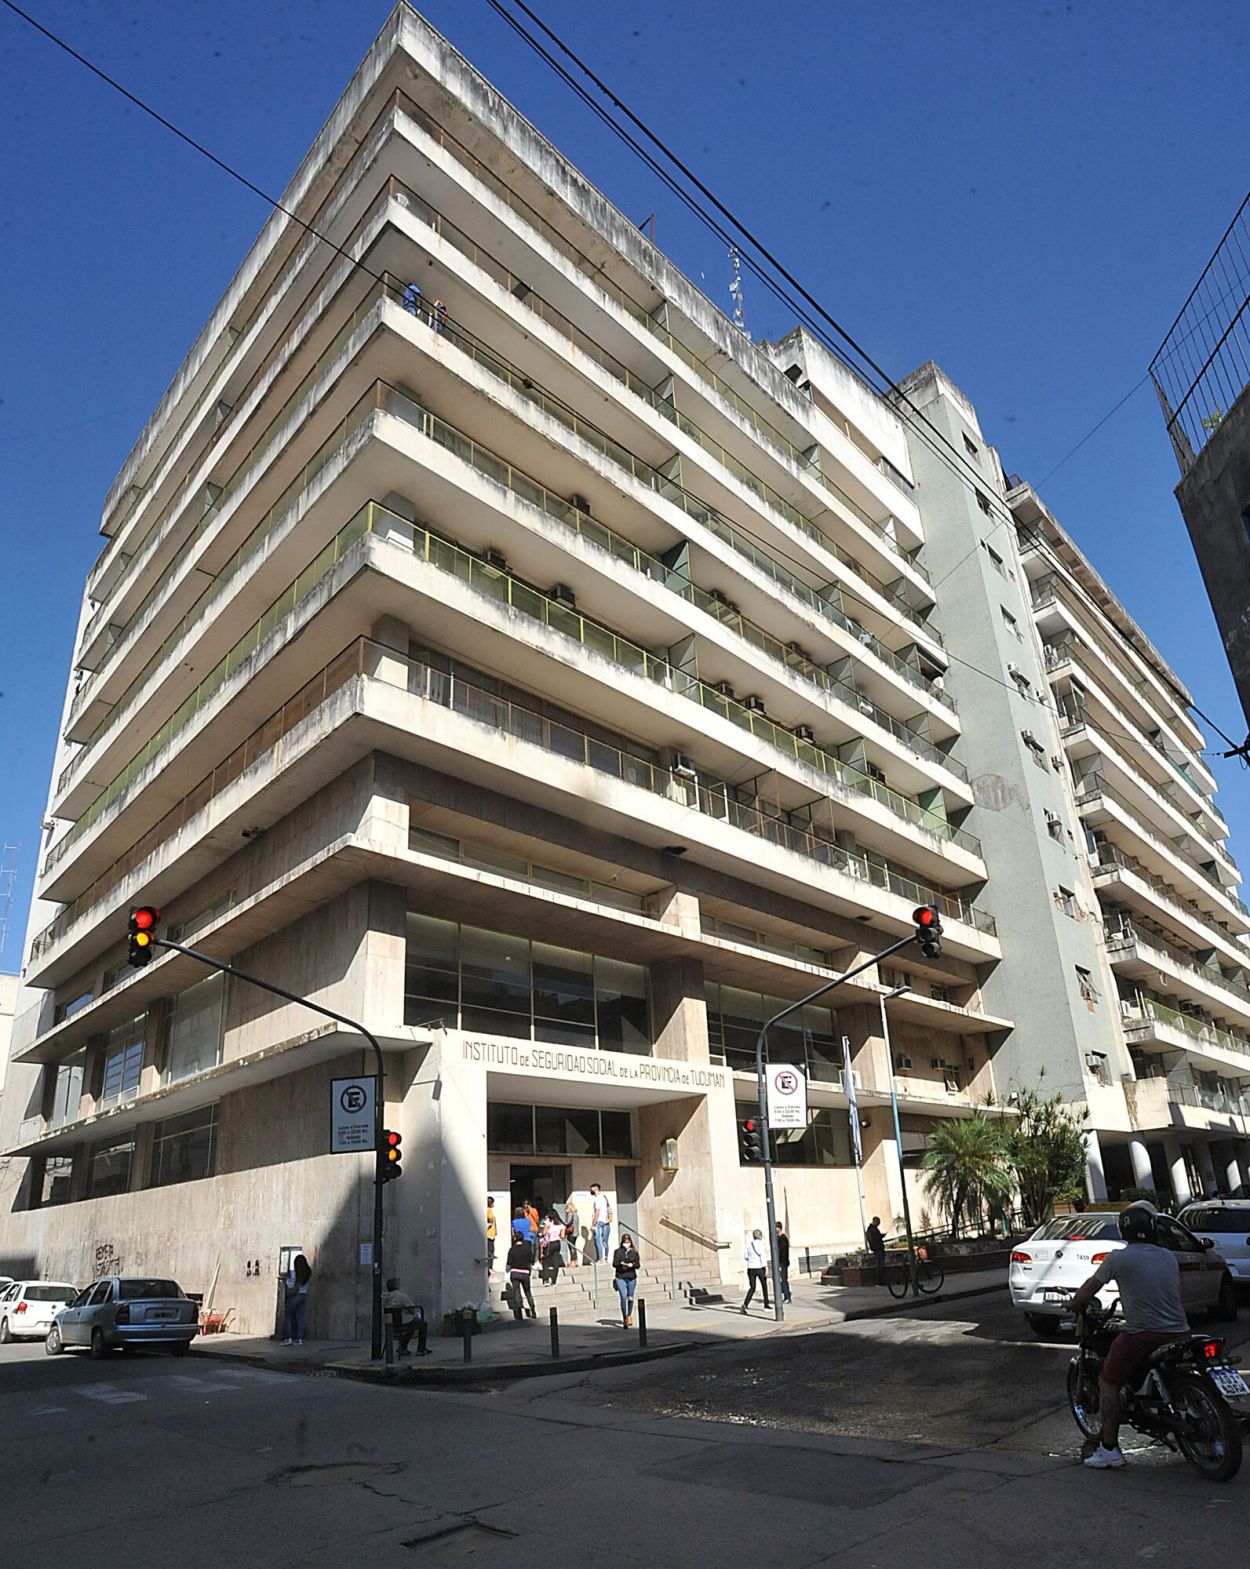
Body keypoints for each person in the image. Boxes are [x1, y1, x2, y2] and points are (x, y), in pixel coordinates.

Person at [1069, 1202, 1190, 1470]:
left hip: (1143, 1334)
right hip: (1180, 1331)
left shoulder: (1118, 1258)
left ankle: (1109, 1449)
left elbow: (1091, 1286)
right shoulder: (1167, 1256)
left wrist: (1073, 1302)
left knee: (1108, 1381)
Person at [381, 1277, 430, 1356]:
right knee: (423, 1323)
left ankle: (402, 1347)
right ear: (396, 1286)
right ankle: (421, 1349)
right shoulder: (401, 1296)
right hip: (404, 1322)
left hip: (391, 1325)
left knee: (412, 1324)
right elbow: (412, 1309)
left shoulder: (385, 1298)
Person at [505, 1230, 537, 1322]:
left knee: (517, 1293)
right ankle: (533, 1311)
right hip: (525, 1273)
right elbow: (532, 1261)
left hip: (515, 1273)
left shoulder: (512, 1249)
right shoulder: (527, 1249)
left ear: (515, 1239)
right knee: (528, 1292)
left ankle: (519, 1314)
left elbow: (509, 1262)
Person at [281, 1253, 311, 1344]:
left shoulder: (294, 1273)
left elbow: (290, 1285)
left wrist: (286, 1281)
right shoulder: (308, 1272)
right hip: (303, 1295)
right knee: (300, 1318)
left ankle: (289, 1337)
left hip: (295, 1296)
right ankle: (299, 1339)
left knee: (288, 1316)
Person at [612, 1232, 641, 1327]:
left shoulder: (634, 1253)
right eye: (625, 1242)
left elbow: (638, 1265)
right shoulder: (618, 1252)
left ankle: (629, 1315)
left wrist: (632, 1265)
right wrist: (621, 1263)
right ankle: (625, 1317)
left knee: (630, 1297)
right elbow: (614, 1264)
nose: (626, 1244)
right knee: (623, 1297)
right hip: (620, 1276)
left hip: (631, 1277)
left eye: (628, 1242)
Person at [741, 1229, 770, 1313]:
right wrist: (766, 1267)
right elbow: (762, 1256)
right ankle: (766, 1305)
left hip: (750, 1268)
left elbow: (746, 1256)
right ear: (760, 1236)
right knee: (764, 1286)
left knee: (752, 1287)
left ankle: (745, 1304)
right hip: (759, 1268)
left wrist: (751, 1259)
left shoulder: (749, 1244)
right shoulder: (760, 1244)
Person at [540, 1212, 565, 1286]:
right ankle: (554, 1281)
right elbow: (562, 1236)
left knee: (545, 1261)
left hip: (549, 1243)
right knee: (556, 1262)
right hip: (557, 1243)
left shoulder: (548, 1221)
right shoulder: (561, 1223)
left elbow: (544, 1233)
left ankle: (546, 1280)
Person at [590, 1183, 613, 1262]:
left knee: (598, 1241)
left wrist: (594, 1223)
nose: (591, 1190)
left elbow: (597, 1211)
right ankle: (605, 1258)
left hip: (599, 1221)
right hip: (604, 1221)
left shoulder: (598, 1198)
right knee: (604, 1241)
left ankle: (600, 1259)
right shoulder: (604, 1197)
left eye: (592, 1189)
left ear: (595, 1188)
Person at [865, 1216, 887, 1286]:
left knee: (880, 1265)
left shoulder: (872, 1229)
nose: (879, 1224)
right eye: (878, 1222)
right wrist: (881, 1236)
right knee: (880, 1265)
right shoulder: (872, 1229)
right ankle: (879, 1281)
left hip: (877, 1248)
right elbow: (875, 1238)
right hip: (878, 1248)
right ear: (875, 1221)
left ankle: (880, 1280)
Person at [775, 1221, 792, 1304]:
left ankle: (787, 1296)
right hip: (781, 1262)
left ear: (779, 1228)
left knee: (784, 1279)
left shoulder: (783, 1238)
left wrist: (781, 1263)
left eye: (775, 1228)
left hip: (783, 1263)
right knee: (782, 1279)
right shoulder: (778, 1238)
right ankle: (786, 1294)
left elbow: (783, 1252)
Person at [563, 1194, 580, 1267]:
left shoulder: (570, 1214)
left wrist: (562, 1221)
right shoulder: (576, 1214)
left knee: (571, 1247)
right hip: (576, 1232)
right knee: (574, 1246)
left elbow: (567, 1222)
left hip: (571, 1233)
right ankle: (576, 1261)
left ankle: (572, 1261)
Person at [486, 1196, 498, 1275]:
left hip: (490, 1234)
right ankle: (490, 1267)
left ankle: (490, 1267)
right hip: (490, 1234)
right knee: (490, 1251)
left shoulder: (487, 1210)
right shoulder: (489, 1210)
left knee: (490, 1251)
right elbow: (490, 1218)